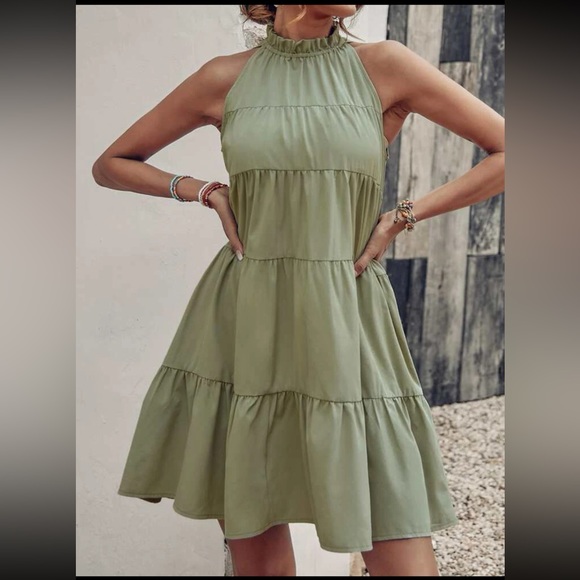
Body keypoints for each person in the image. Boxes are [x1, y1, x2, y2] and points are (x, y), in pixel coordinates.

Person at [92, 4, 504, 577]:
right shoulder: (224, 78)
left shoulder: (386, 65)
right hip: (246, 317)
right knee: (260, 559)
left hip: (346, 310)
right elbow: (111, 164)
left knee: (400, 551)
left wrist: (403, 215)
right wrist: (204, 190)